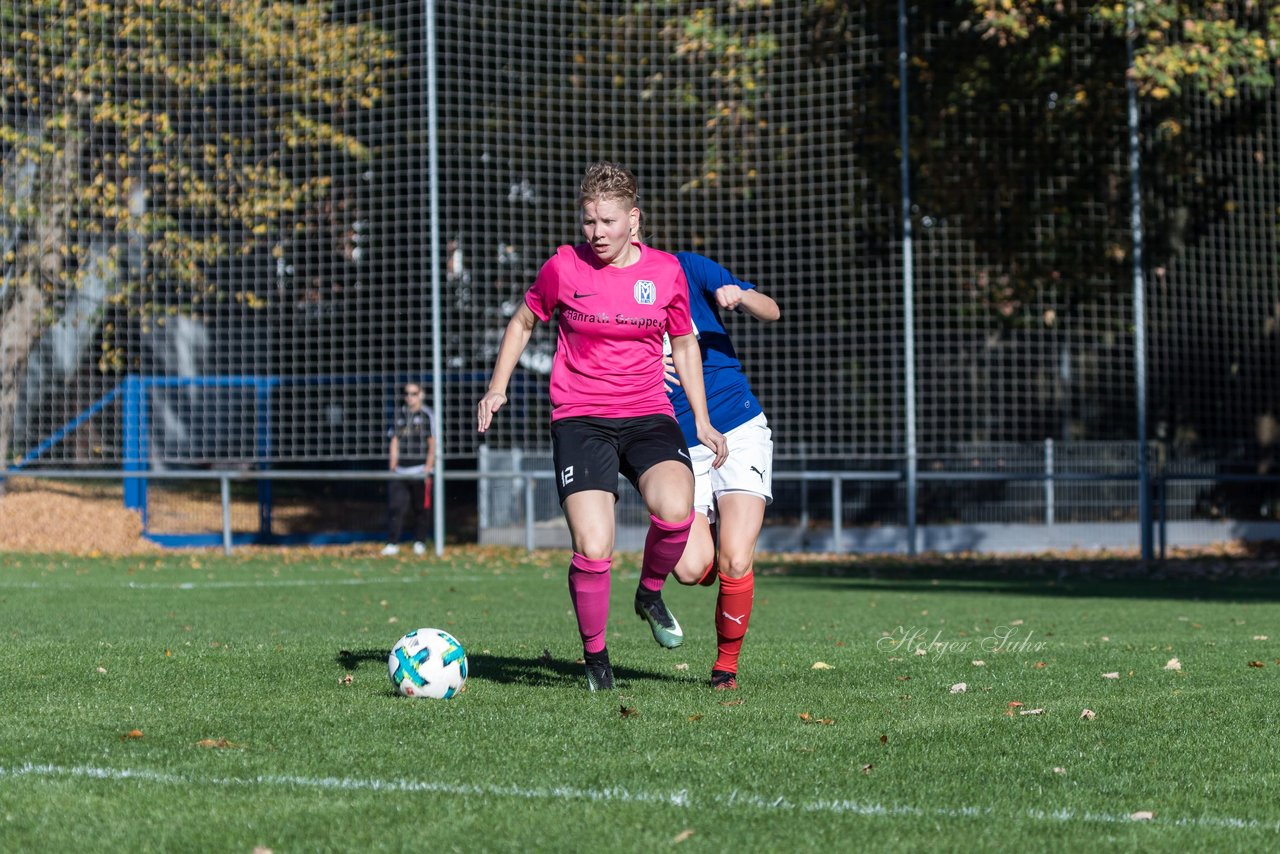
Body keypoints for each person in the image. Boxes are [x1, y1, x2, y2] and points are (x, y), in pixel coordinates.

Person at [476, 161, 728, 691]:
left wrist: (701, 419)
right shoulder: (564, 267)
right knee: (594, 547)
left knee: (677, 508)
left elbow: (683, 341)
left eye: (607, 222)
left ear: (632, 220)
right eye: (588, 221)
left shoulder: (664, 273)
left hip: (648, 414)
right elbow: (523, 321)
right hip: (581, 419)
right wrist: (497, 387)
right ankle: (597, 661)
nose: (596, 234)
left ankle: (649, 592)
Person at [643, 232, 780, 691]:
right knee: (688, 569)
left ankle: (725, 670)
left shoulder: (687, 267)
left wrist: (741, 295)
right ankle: (709, 547)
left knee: (737, 559)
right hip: (678, 440)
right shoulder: (613, 294)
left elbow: (772, 309)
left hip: (736, 425)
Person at [382, 383, 436, 556]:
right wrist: (393, 464)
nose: (410, 396)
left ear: (421, 394)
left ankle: (419, 541)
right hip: (401, 470)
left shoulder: (427, 415)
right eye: (407, 393)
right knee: (396, 507)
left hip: (420, 469)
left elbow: (432, 442)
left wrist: (428, 466)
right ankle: (392, 543)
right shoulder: (400, 415)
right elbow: (394, 440)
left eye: (414, 393)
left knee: (422, 508)